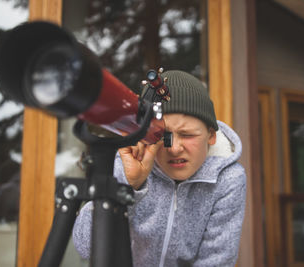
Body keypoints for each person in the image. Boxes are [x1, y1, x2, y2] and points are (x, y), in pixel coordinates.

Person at [72, 70, 246, 267]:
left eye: (187, 135)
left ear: (211, 136)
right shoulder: (128, 163)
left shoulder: (228, 179)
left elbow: (216, 260)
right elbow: (86, 247)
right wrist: (128, 186)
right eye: (162, 136)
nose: (174, 148)